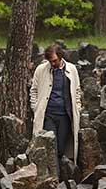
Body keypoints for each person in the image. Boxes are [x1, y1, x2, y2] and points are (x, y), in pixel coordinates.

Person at [30, 44, 82, 174]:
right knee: (49, 147)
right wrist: (35, 107)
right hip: (48, 115)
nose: (52, 63)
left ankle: (60, 178)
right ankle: (54, 178)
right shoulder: (41, 69)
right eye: (50, 61)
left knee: (60, 148)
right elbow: (34, 90)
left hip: (65, 116)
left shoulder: (72, 69)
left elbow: (77, 91)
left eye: (55, 60)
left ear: (61, 56)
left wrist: (78, 107)